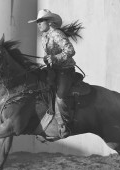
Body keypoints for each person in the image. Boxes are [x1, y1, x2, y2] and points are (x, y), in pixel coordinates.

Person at [28, 9, 83, 138]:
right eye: (38, 22)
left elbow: (70, 50)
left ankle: (65, 124)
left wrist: (55, 58)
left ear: (50, 22)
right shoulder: (44, 37)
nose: (38, 24)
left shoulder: (57, 34)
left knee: (60, 95)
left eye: (41, 21)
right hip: (54, 70)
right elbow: (51, 55)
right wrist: (47, 59)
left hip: (65, 70)